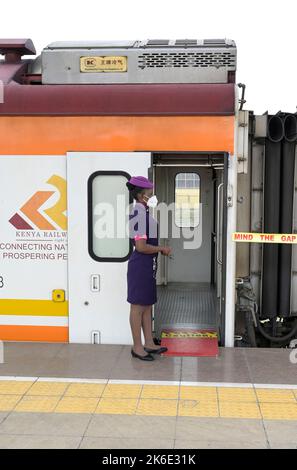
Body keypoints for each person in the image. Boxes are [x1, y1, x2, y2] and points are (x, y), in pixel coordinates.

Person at [126, 176, 172, 361]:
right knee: (138, 306)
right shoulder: (138, 213)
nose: (153, 197)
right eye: (150, 194)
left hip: (148, 265)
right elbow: (141, 247)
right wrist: (162, 248)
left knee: (147, 304)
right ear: (141, 195)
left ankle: (149, 343)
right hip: (140, 266)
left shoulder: (144, 212)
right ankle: (137, 347)